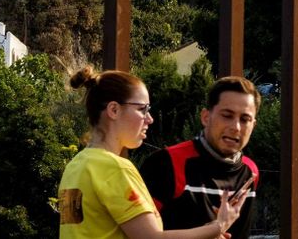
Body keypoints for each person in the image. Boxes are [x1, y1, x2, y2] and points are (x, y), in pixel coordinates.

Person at [58, 66, 247, 239]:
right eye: (142, 109)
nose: (150, 119)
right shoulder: (115, 168)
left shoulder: (75, 167)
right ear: (114, 110)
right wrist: (218, 226)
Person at [138, 77, 261, 239]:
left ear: (253, 126)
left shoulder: (250, 172)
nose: (236, 127)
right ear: (205, 117)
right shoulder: (165, 163)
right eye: (227, 115)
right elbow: (140, 235)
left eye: (245, 119)